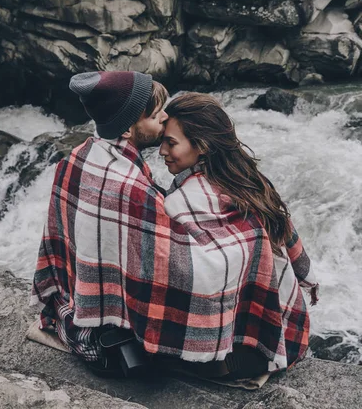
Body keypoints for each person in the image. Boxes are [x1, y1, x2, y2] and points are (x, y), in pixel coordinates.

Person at [159, 92, 319, 381]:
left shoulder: (182, 201)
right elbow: (295, 253)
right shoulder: (250, 180)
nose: (161, 151)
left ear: (203, 146)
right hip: (284, 335)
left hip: (231, 355)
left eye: (171, 142)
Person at [30, 70, 172, 372]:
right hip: (104, 342)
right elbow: (171, 266)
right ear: (128, 129)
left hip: (70, 307)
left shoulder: (76, 156)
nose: (165, 118)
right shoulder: (132, 187)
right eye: (155, 115)